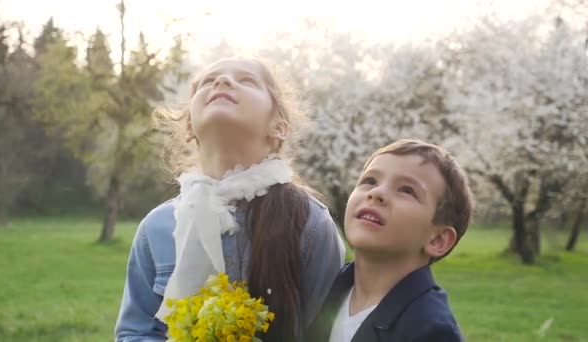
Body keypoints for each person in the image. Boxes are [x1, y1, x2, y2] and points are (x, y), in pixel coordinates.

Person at [114, 57, 345, 342]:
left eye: (247, 80)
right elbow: (135, 332)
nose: (222, 82)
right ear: (189, 127)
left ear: (279, 127)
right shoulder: (156, 228)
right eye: (209, 81)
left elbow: (326, 334)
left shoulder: (310, 222)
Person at [305, 139, 473, 342]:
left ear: (438, 240)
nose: (376, 193)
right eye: (370, 181)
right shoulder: (323, 288)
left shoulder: (431, 331)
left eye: (406, 190)